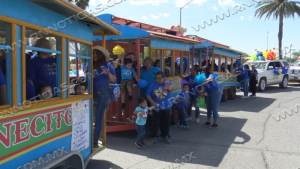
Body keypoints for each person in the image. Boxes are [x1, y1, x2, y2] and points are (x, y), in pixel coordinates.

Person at [92, 46, 116, 149]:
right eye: (93, 53)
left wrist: (108, 73)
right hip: (92, 93)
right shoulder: (89, 63)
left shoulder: (107, 65)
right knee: (93, 117)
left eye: (97, 53)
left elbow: (114, 79)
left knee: (97, 117)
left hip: (103, 93)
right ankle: (92, 140)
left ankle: (95, 141)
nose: (95, 55)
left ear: (102, 55)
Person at [146, 71, 174, 144]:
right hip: (156, 107)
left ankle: (165, 135)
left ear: (163, 78)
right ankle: (154, 136)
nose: (158, 80)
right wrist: (153, 103)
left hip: (166, 106)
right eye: (156, 78)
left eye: (160, 78)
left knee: (166, 122)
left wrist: (168, 87)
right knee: (155, 122)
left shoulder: (168, 83)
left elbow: (171, 89)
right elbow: (148, 95)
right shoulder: (153, 85)